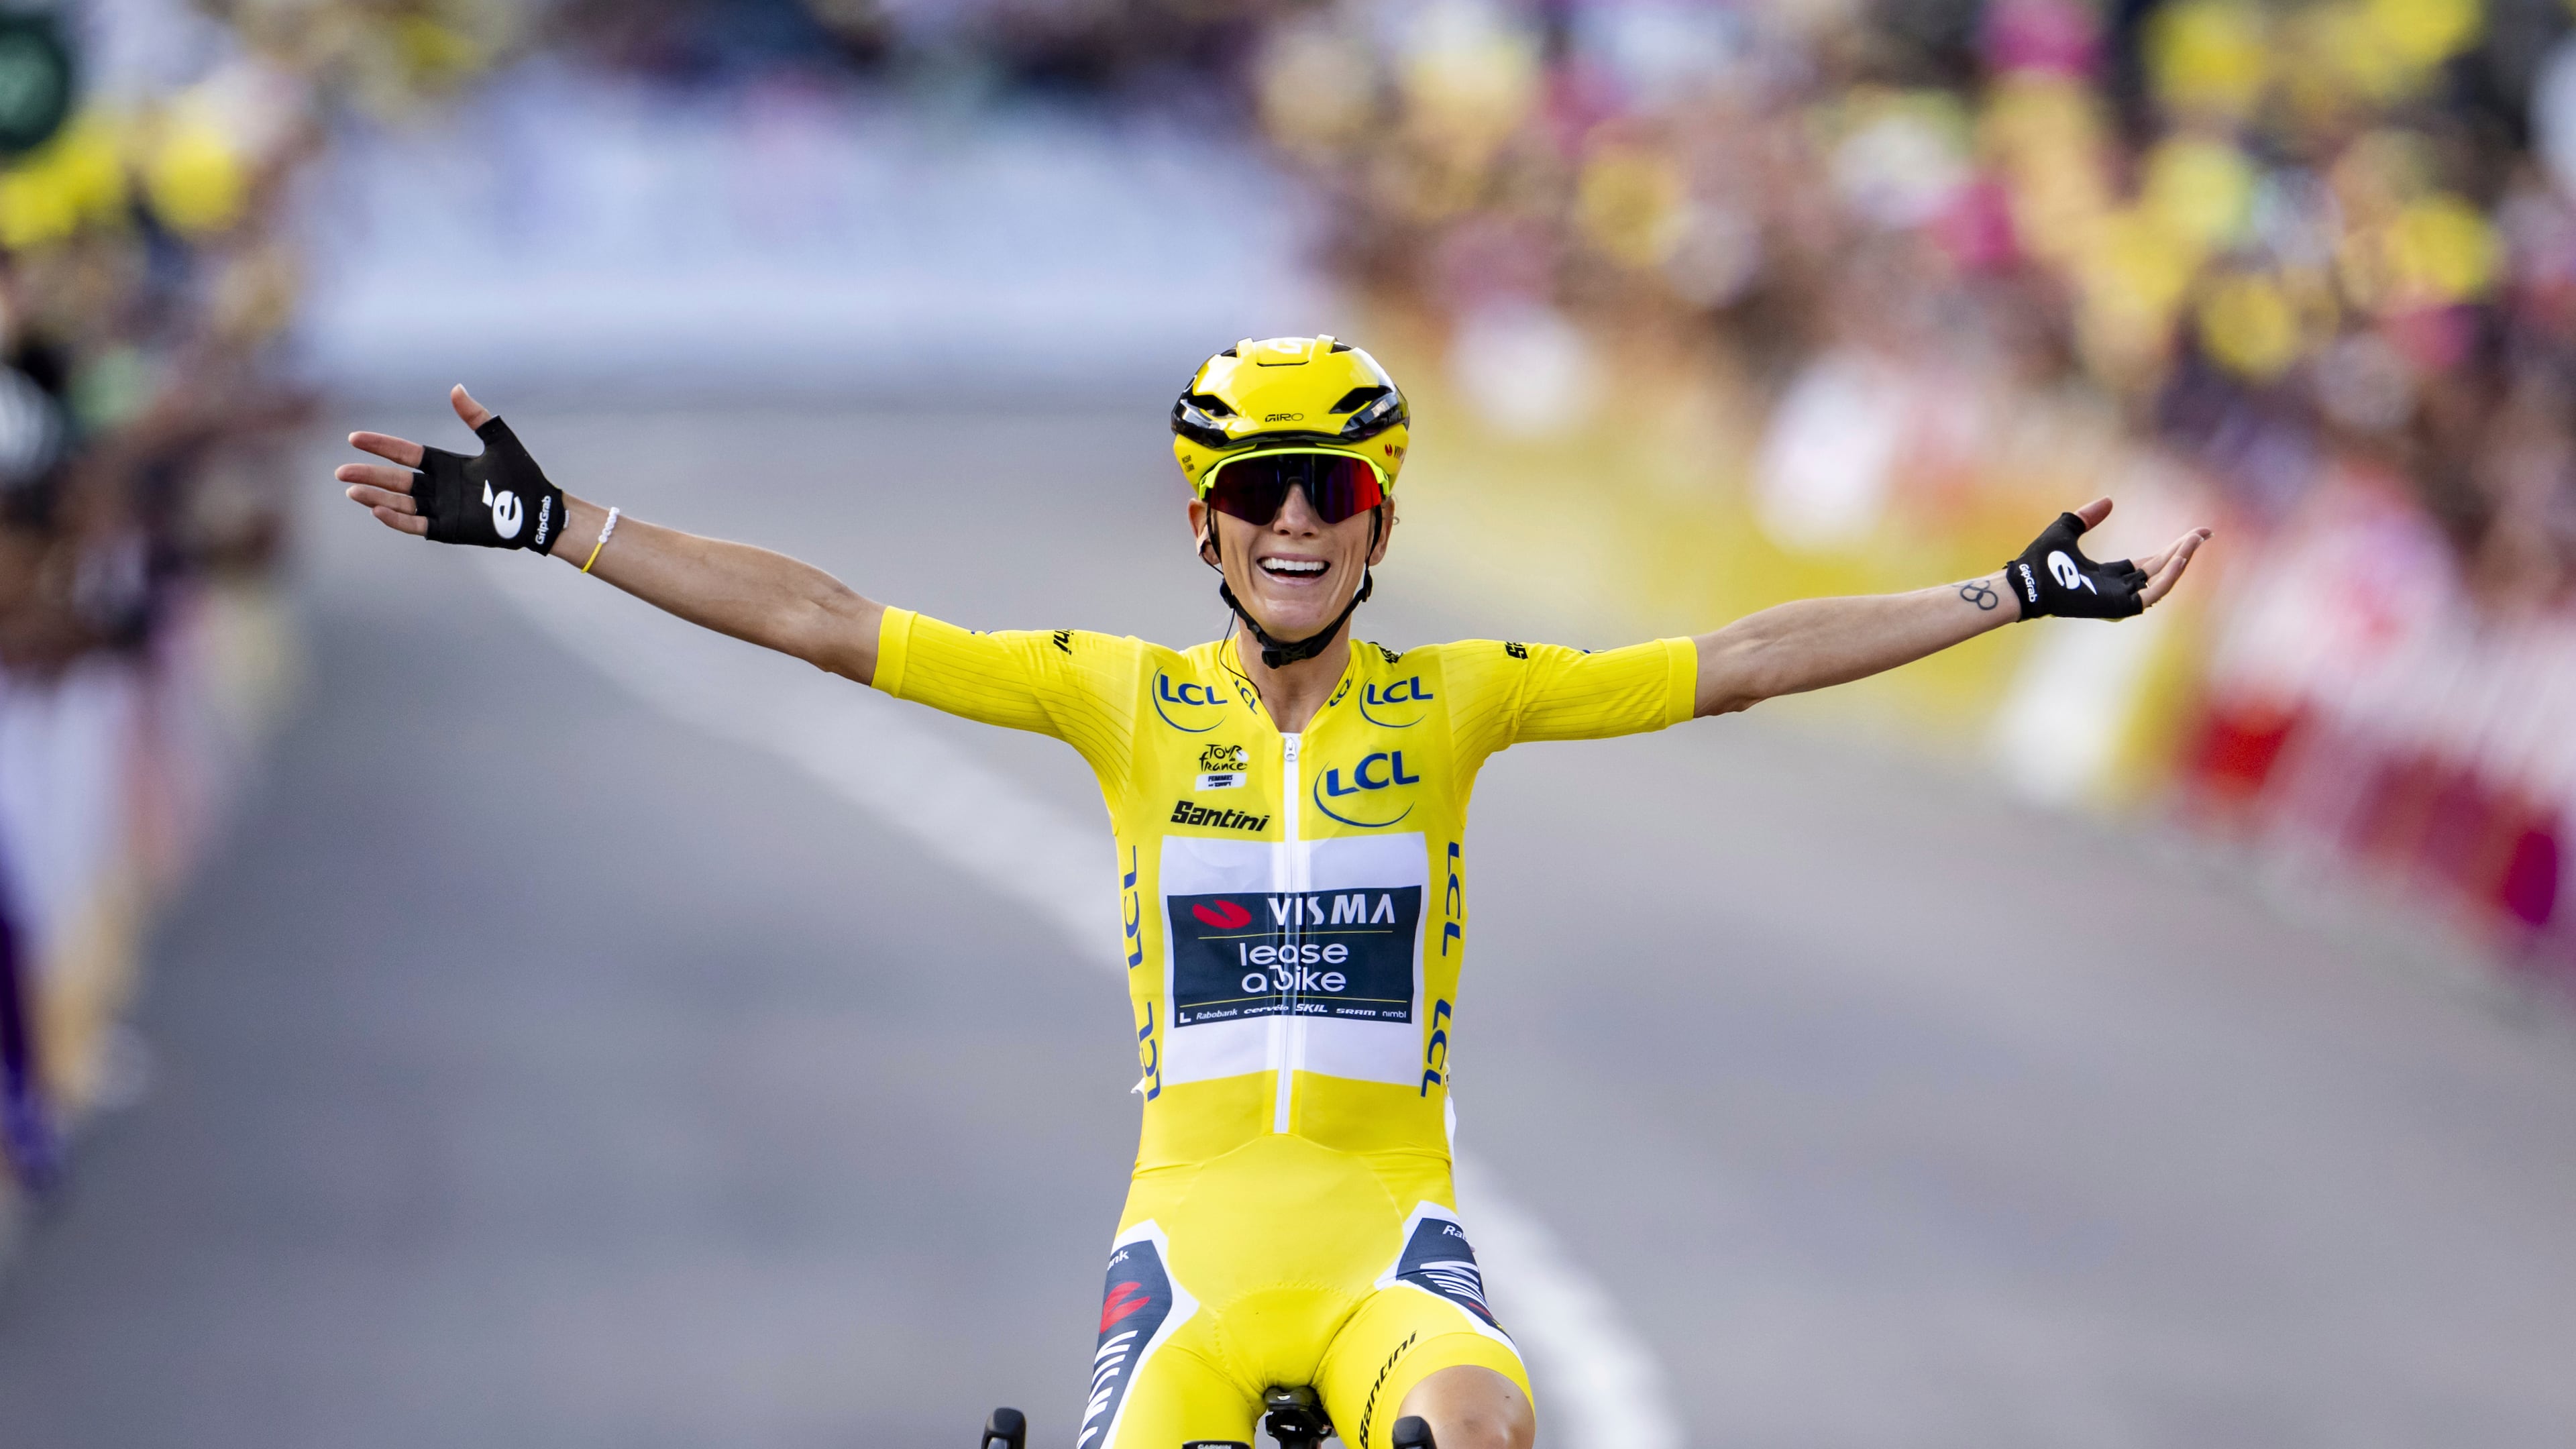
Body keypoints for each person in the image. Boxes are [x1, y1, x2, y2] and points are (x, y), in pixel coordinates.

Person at [338, 335, 2208, 1449]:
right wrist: (558, 523)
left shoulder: (1463, 698)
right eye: (1260, 492)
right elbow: (828, 621)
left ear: (1377, 520)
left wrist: (2005, 594)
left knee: (1484, 1423)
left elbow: (1740, 660)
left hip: (1390, 1244)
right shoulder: (1114, 695)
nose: (1295, 522)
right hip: (1193, 1255)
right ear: (1205, 523)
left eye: (1329, 491)